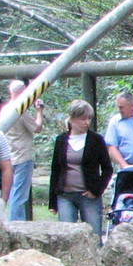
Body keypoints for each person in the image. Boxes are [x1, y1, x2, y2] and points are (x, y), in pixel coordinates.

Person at [48, 99, 112, 238]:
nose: (86, 122)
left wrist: (96, 190)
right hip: (65, 196)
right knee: (65, 237)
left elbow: (107, 169)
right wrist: (52, 201)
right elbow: (56, 170)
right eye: (83, 119)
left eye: (89, 118)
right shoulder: (61, 140)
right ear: (72, 119)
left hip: (89, 197)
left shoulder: (96, 140)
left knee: (94, 236)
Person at [1, 78, 45, 221]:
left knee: (12, 192)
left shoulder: (5, 109)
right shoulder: (20, 110)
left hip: (10, 156)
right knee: (19, 195)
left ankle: (13, 221)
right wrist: (39, 112)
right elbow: (37, 127)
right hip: (23, 157)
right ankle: (17, 224)